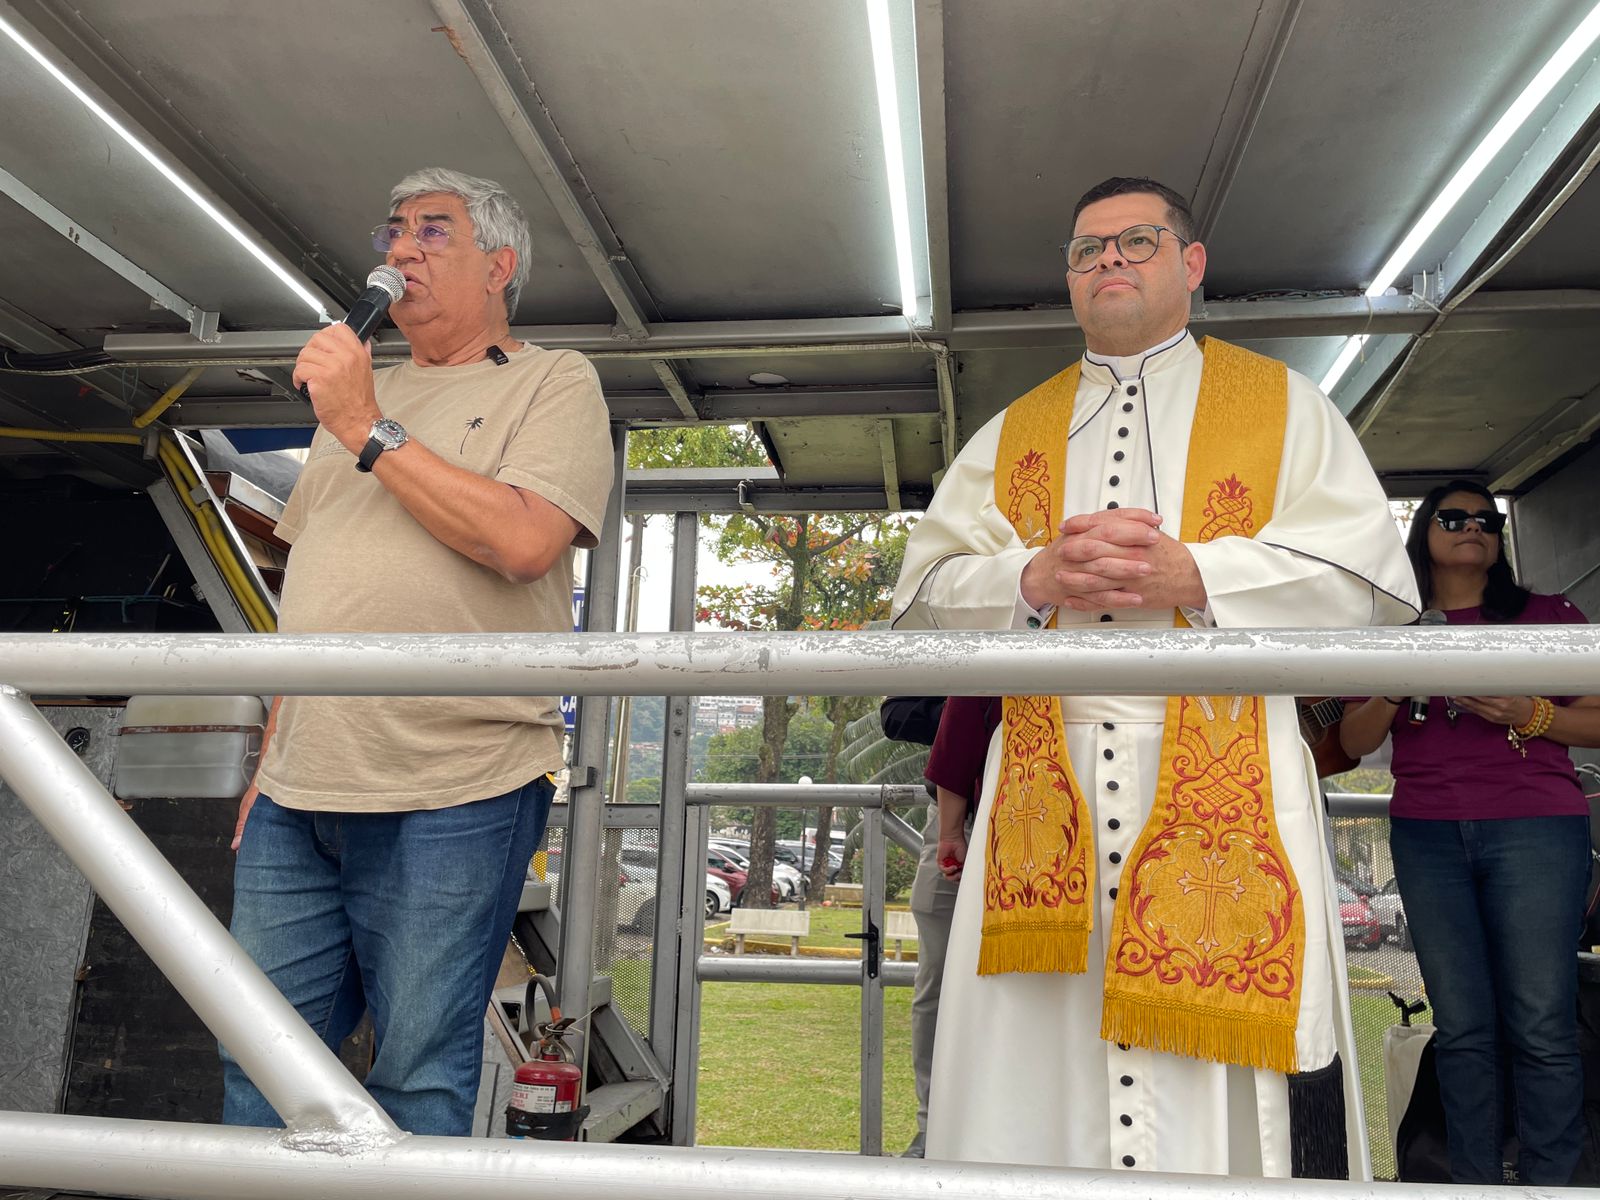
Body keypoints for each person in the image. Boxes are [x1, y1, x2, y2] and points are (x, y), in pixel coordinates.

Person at [891, 176, 1420, 1178]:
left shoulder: (1284, 409)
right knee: (1034, 1067)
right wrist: (1032, 576)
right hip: (1045, 786)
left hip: (1233, 770)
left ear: (1191, 262)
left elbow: (1368, 585)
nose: (1108, 261)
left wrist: (1200, 575)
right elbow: (921, 601)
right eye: (1086, 250)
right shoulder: (1012, 432)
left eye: (1135, 241)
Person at [222, 167, 614, 1136]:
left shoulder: (553, 380)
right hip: (300, 789)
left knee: (418, 1073)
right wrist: (272, 755)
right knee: (258, 1060)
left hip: (456, 783)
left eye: (433, 232)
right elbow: (315, 587)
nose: (400, 250)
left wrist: (365, 425)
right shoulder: (359, 396)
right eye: (394, 232)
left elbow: (523, 541)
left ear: (500, 266)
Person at [1339, 480, 1600, 1185]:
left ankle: (1552, 1186)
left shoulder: (1547, 616)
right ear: (1423, 531)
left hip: (1537, 830)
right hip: (1427, 835)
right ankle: (1474, 1185)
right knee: (1461, 1027)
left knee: (1541, 1022)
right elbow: (1354, 741)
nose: (1473, 527)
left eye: (1487, 519)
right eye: (1453, 518)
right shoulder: (1390, 626)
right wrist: (1396, 681)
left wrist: (1530, 713)